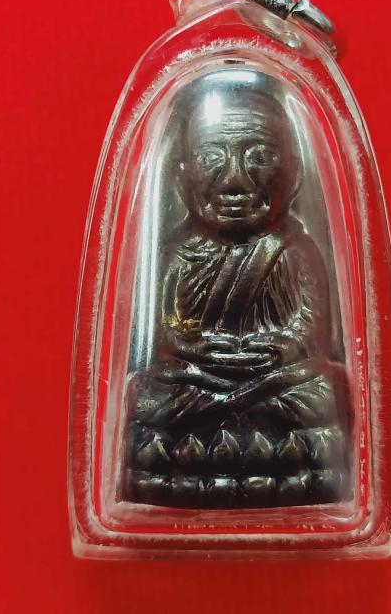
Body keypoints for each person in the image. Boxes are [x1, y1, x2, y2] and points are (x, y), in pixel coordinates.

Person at [125, 68, 350, 508]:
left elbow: (309, 330)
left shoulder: (293, 250)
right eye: (212, 157)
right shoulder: (175, 252)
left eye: (259, 156)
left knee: (323, 391)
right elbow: (163, 334)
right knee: (150, 397)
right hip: (197, 379)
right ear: (181, 177)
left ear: (293, 174)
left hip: (272, 379)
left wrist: (280, 349)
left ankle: (212, 464)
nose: (235, 180)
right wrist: (195, 352)